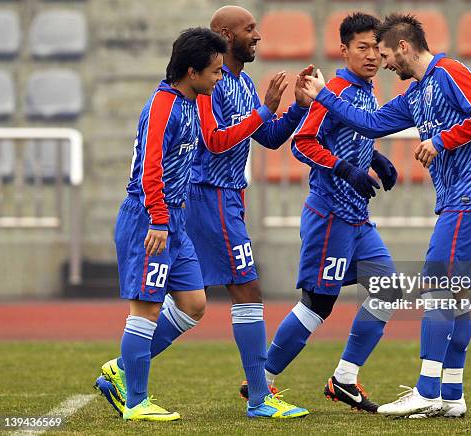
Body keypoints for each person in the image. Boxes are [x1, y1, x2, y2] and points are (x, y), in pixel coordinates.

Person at [301, 13, 471, 418]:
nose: (384, 62)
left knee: (435, 284)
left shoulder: (448, 71)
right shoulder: (416, 94)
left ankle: (426, 389)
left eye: (387, 53)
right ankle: (451, 395)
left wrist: (441, 140)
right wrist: (325, 95)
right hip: (457, 201)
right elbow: (372, 123)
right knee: (456, 296)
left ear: (405, 47)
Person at [260, 12, 400, 414]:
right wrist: (344, 169)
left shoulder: (367, 90)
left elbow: (346, 135)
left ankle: (343, 379)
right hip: (330, 215)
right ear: (344, 50)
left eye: (377, 47)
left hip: (357, 217)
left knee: (388, 289)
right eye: (363, 47)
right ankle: (262, 381)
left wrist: (374, 158)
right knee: (318, 304)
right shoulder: (335, 89)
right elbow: (303, 143)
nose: (372, 54)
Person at [93, 27, 227, 422]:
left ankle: (120, 368)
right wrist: (158, 219)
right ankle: (136, 402)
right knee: (146, 309)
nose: (220, 79)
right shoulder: (164, 105)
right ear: (192, 72)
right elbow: (150, 167)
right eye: (216, 72)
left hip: (175, 219)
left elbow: (215, 142)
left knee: (193, 304)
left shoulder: (191, 103)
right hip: (149, 218)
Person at [185, 5, 312, 419]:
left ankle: (122, 367)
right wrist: (265, 108)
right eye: (250, 29)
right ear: (224, 33)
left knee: (190, 301)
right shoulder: (211, 83)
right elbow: (215, 142)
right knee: (247, 290)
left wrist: (294, 107)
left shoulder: (241, 83)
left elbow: (269, 138)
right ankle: (259, 397)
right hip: (210, 192)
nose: (257, 36)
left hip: (228, 196)